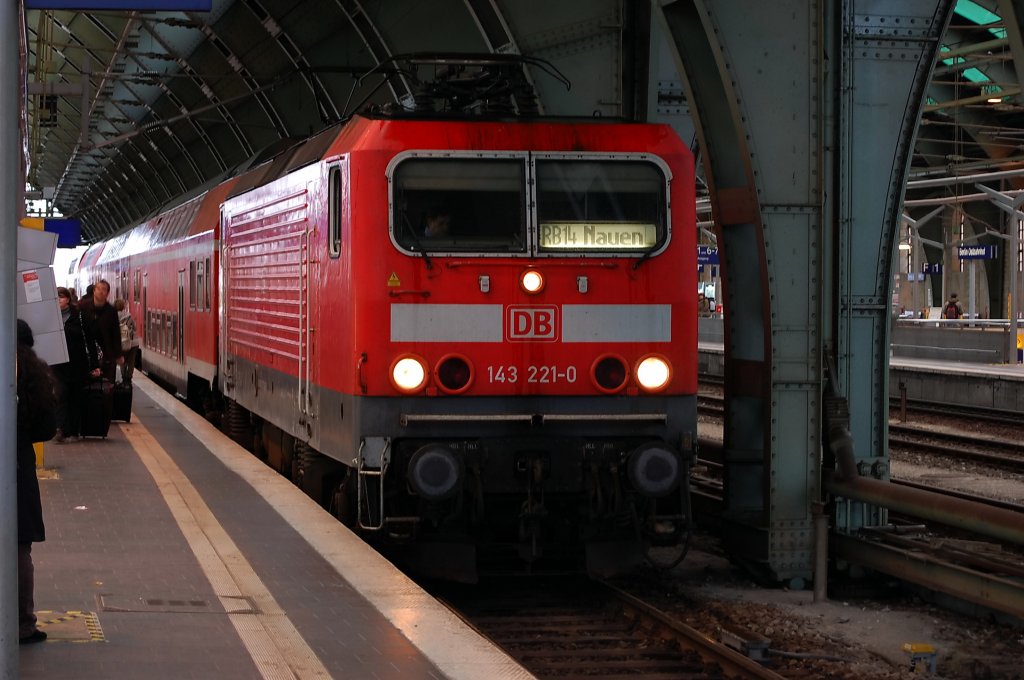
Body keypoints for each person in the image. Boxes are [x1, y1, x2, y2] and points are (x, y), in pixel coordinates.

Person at [16, 319, 58, 644]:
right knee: (20, 548)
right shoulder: (35, 372)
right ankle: (23, 623)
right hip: (18, 466)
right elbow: (47, 429)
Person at [52, 287, 102, 442]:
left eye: (61, 297)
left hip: (77, 364)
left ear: (68, 299)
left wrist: (95, 365)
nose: (58, 300)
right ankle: (60, 429)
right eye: (56, 297)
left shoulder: (80, 316)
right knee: (61, 395)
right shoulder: (51, 317)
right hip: (58, 365)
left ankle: (73, 431)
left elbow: (90, 341)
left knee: (75, 398)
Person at [78, 279, 123, 382]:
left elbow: (116, 333)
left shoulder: (111, 311)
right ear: (94, 291)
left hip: (107, 352)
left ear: (107, 293)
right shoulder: (83, 307)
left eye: (104, 289)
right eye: (98, 289)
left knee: (108, 383)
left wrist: (118, 354)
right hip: (88, 350)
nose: (101, 291)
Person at [114, 298, 139, 383]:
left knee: (122, 360)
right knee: (131, 361)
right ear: (123, 307)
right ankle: (129, 378)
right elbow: (135, 328)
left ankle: (124, 377)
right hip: (133, 343)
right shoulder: (129, 316)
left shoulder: (113, 317)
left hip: (121, 343)